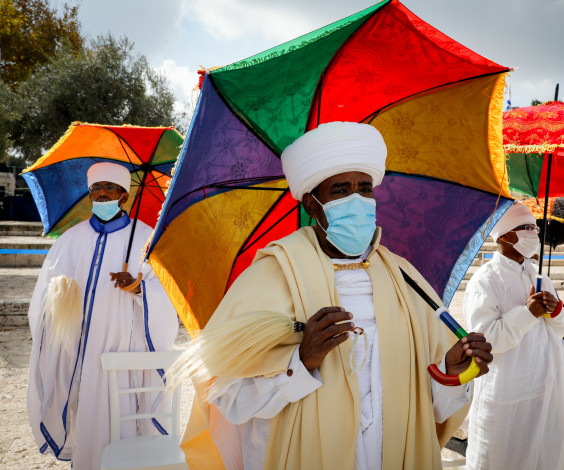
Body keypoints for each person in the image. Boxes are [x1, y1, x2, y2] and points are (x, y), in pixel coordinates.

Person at [178, 121, 493, 470]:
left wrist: (451, 373)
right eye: (341, 190)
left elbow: (430, 409)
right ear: (312, 205)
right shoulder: (271, 275)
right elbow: (228, 399)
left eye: (365, 189)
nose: (356, 200)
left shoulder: (406, 277)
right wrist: (300, 361)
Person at [26, 162, 179, 469]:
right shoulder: (70, 239)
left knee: (122, 422)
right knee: (87, 417)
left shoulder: (146, 239)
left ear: (124, 196)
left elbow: (167, 296)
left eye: (110, 188)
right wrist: (58, 295)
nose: (102, 194)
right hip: (81, 351)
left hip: (126, 350)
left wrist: (138, 288)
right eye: (96, 188)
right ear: (90, 194)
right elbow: (45, 293)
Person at [463, 203, 564, 470]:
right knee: (505, 456)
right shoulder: (485, 280)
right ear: (504, 236)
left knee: (546, 455)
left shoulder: (539, 277)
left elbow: (561, 330)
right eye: (525, 228)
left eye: (535, 228)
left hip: (546, 386)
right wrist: (528, 313)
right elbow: (488, 340)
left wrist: (555, 311)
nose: (533, 233)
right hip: (509, 390)